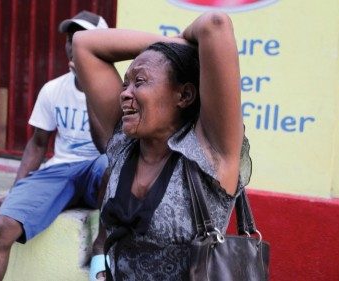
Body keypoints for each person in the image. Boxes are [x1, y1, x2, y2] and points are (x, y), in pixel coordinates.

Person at [73, 11, 252, 280]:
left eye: (140, 81)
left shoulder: (210, 152)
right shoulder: (123, 141)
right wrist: (170, 43)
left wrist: (176, 48)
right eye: (125, 83)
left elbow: (215, 25)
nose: (124, 93)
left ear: (185, 95)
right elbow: (83, 44)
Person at [0, 11, 109, 281]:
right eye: (71, 38)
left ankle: (102, 245)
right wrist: (14, 194)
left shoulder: (117, 89)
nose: (75, 44)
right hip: (61, 171)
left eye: (83, 38)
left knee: (113, 163)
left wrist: (89, 87)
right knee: (2, 226)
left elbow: (109, 146)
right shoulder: (52, 90)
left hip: (100, 172)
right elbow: (37, 145)